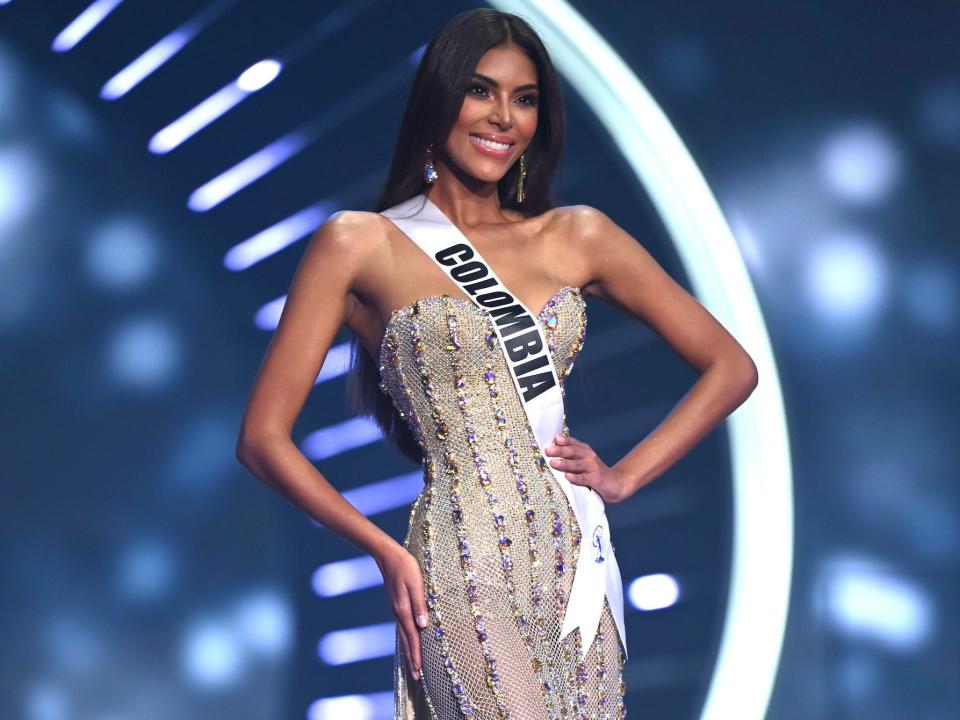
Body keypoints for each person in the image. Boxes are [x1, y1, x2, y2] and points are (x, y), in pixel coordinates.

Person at [235, 8, 758, 719]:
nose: (503, 117)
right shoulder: (360, 244)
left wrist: (625, 476)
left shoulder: (578, 235)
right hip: (461, 567)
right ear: (439, 99)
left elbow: (731, 366)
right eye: (481, 91)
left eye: (525, 98)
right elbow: (262, 438)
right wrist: (384, 551)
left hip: (577, 565)